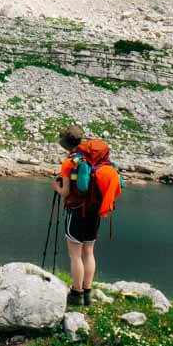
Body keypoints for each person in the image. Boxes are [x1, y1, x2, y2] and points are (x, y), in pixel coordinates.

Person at [53, 125, 120, 307]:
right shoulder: (95, 159)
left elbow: (66, 192)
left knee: (75, 255)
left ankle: (76, 293)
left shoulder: (70, 162)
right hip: (94, 211)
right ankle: (88, 293)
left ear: (65, 144)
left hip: (76, 211)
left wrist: (57, 188)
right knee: (89, 252)